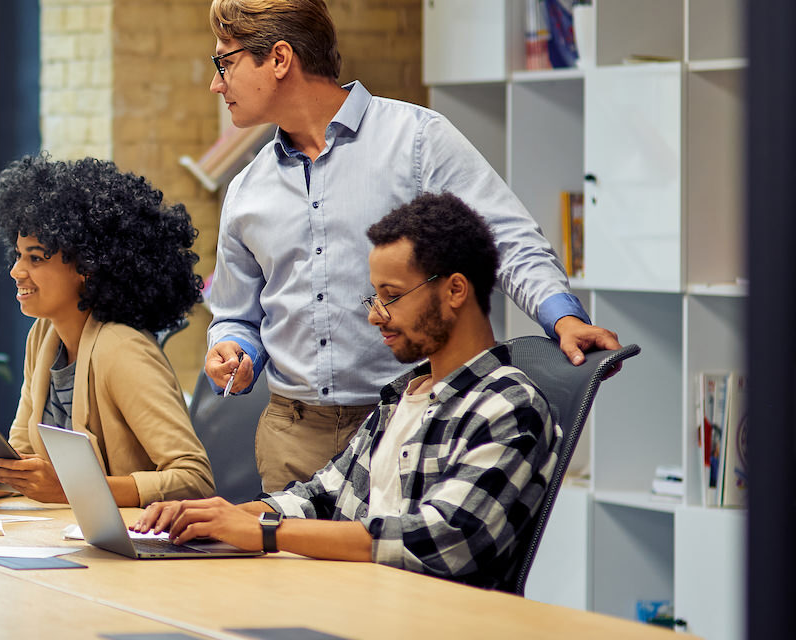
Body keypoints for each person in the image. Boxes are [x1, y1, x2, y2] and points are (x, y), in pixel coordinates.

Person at [198, 0, 620, 491]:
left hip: (413, 424)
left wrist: (562, 317)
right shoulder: (248, 189)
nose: (216, 83)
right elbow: (235, 313)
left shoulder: (417, 140)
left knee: (404, 563)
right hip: (294, 440)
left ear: (279, 58)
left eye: (224, 62)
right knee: (293, 568)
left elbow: (506, 237)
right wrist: (232, 347)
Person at [137, 193, 558, 590]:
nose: (376, 316)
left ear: (454, 290)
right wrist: (217, 516)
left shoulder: (509, 405)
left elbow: (442, 538)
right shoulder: (400, 398)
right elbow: (322, 495)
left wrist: (265, 531)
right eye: (374, 297)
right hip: (356, 605)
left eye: (392, 296)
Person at [0, 154, 215, 508]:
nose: (16, 271)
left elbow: (194, 480)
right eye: (18, 255)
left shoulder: (123, 350)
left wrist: (75, 488)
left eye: (35, 258)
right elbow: (25, 456)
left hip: (136, 549)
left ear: (87, 266)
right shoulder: (44, 336)